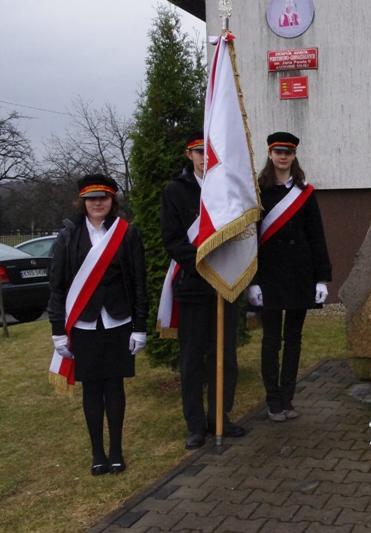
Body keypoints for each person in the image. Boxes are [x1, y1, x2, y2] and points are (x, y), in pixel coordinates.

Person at [48, 174, 147, 476]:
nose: (98, 203)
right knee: (92, 389)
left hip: (118, 321)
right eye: (92, 198)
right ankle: (97, 453)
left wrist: (140, 326)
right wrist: (57, 331)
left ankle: (116, 451)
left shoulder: (127, 233)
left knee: (114, 387)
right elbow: (58, 286)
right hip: (84, 325)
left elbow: (138, 283)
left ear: (112, 200)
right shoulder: (69, 236)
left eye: (104, 197)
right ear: (83, 202)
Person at [160, 131, 246, 449]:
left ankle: (220, 418)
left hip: (224, 283)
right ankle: (195, 425)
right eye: (198, 152)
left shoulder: (226, 190)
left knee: (226, 357)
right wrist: (203, 262)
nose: (202, 157)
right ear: (189, 155)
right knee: (193, 359)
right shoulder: (175, 191)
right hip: (194, 286)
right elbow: (172, 239)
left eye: (207, 152)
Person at [248, 131, 332, 422]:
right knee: (271, 339)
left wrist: (321, 278)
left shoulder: (305, 192)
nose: (283, 156)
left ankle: (288, 397)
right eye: (278, 151)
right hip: (269, 275)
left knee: (293, 338)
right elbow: (250, 240)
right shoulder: (257, 191)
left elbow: (316, 236)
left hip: (299, 274)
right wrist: (253, 281)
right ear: (270, 154)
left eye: (288, 152)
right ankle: (273, 400)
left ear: (294, 156)